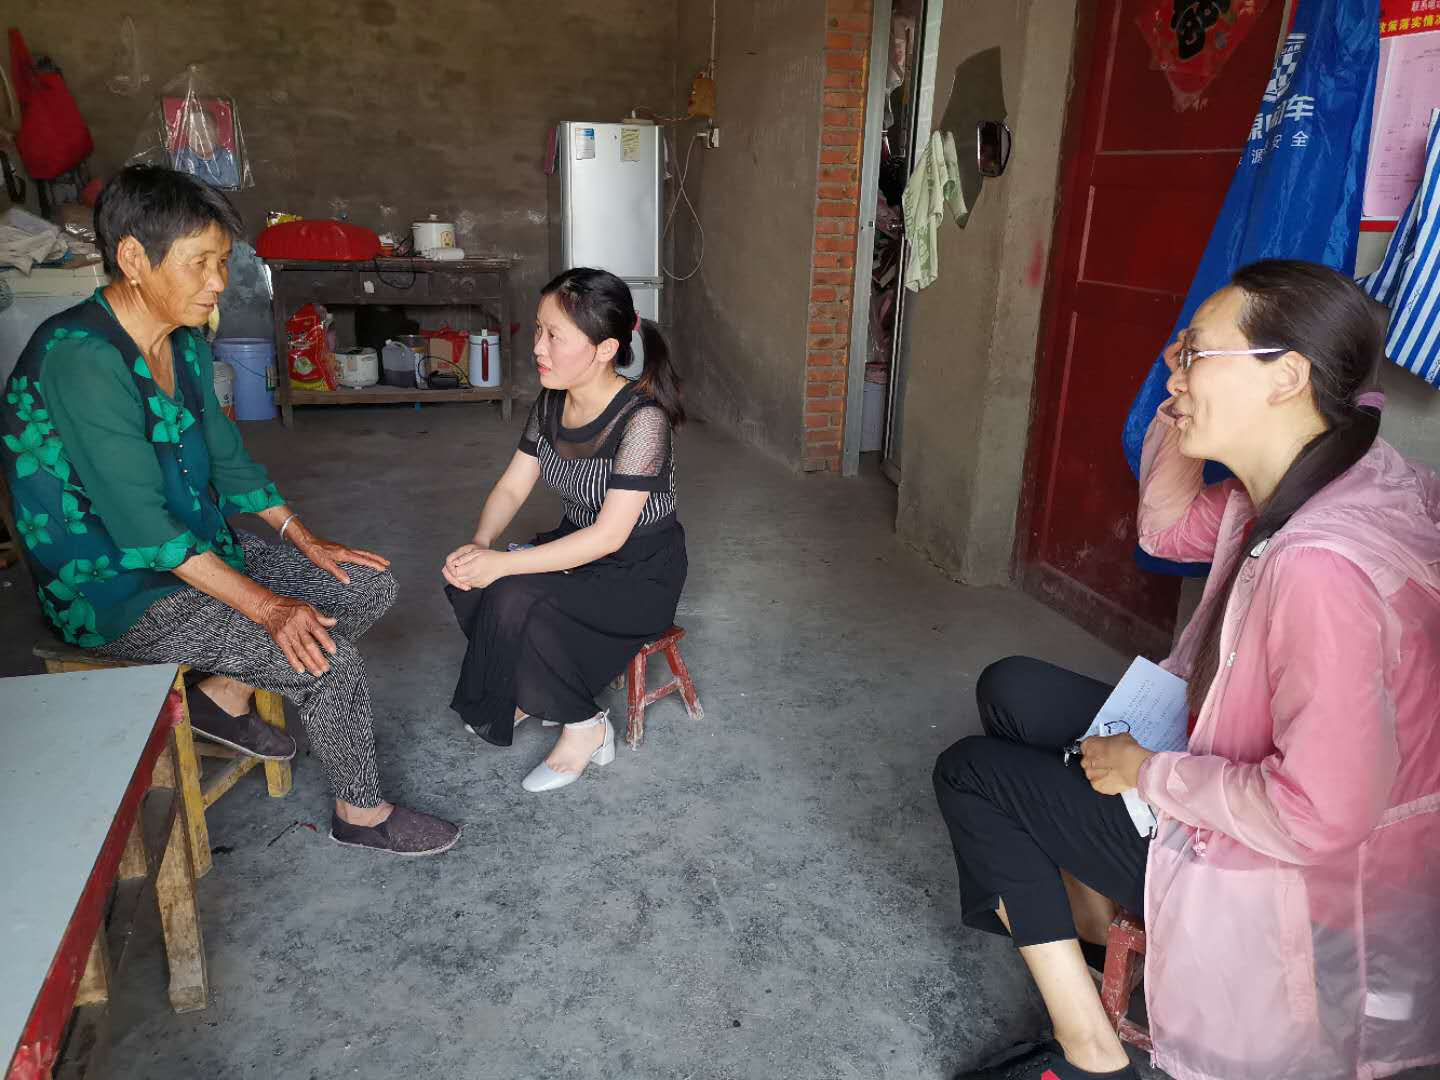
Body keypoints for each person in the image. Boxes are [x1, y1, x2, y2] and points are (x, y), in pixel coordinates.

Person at [932, 260, 1440, 1080]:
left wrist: (1147, 772)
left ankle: (1092, 1052)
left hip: (1292, 878)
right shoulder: (1312, 476)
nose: (1174, 371)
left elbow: (1318, 817)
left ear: (1286, 377)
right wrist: (1183, 401)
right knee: (1011, 688)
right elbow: (1166, 532)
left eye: (1196, 353)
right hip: (1245, 766)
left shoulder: (1320, 565)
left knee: (971, 773)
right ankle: (1089, 925)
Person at [0, 165, 459, 857]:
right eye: (201, 263)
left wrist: (303, 539)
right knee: (329, 660)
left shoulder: (182, 340)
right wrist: (270, 609)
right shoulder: (80, 358)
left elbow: (228, 459)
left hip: (198, 547)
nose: (218, 282)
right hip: (114, 588)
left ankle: (222, 696)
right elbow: (143, 531)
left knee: (365, 585)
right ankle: (360, 814)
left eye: (222, 261)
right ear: (133, 258)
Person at [444, 267, 687, 792]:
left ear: (605, 349)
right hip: (575, 546)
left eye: (554, 335)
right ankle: (532, 688)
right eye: (538, 329)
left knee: (511, 594)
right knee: (468, 581)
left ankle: (585, 725)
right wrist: (481, 546)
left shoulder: (643, 420)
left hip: (637, 572)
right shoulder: (552, 400)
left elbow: (609, 537)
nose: (538, 346)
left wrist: (504, 564)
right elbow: (512, 487)